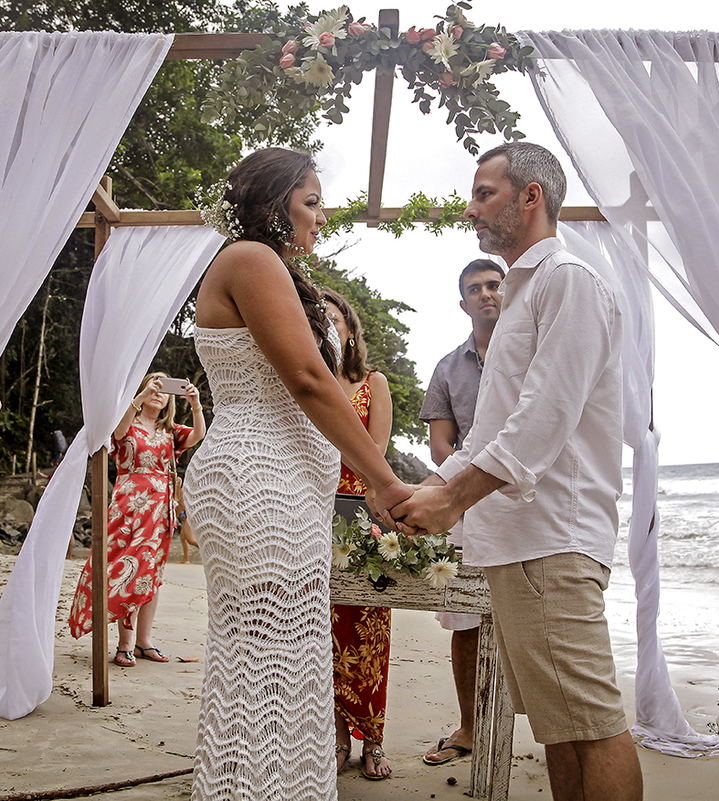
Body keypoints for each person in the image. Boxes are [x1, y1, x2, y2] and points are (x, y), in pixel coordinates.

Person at [391, 143, 644, 801]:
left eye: (485, 193)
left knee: (591, 725)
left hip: (551, 537)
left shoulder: (568, 280)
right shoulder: (525, 291)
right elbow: (494, 430)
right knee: (560, 728)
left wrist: (453, 503)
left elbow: (545, 416)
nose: (471, 208)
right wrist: (435, 487)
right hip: (519, 543)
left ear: (531, 196)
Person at [183, 147, 413, 801]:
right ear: (272, 201)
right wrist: (384, 480)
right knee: (266, 654)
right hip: (259, 478)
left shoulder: (283, 274)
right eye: (311, 201)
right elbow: (311, 381)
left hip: (289, 483)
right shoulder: (250, 259)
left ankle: (269, 785)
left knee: (283, 656)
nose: (321, 216)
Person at [417, 258, 503, 767]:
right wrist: (470, 481)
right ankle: (470, 728)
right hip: (464, 506)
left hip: (527, 502)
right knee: (465, 619)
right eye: (475, 288)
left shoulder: (533, 352)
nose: (486, 293)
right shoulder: (448, 368)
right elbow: (440, 446)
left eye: (494, 284)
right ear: (463, 302)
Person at [67, 372, 205, 665]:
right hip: (128, 506)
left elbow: (197, 435)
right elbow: (116, 434)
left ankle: (143, 641)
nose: (159, 391)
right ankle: (124, 643)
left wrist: (195, 404)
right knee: (125, 570)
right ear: (142, 389)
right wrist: (139, 398)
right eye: (154, 384)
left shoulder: (169, 431)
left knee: (151, 576)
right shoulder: (127, 422)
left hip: (160, 510)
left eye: (164, 388)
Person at [320, 289, 395, 781]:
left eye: (331, 319)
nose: (324, 327)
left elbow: (378, 453)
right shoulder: (305, 381)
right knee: (322, 633)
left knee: (368, 631)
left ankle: (374, 740)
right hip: (314, 511)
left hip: (363, 511)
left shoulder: (374, 382)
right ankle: (337, 738)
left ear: (350, 329)